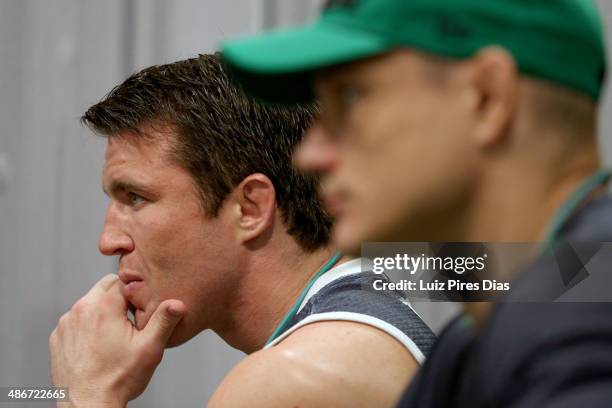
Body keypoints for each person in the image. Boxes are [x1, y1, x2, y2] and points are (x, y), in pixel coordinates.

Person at [221, 0, 612, 406]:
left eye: (350, 97)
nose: (309, 155)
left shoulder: (582, 329)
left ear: (486, 98)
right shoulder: (473, 340)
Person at [48, 53, 434, 407]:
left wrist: (89, 394)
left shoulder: (290, 378)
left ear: (250, 208)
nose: (108, 241)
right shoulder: (361, 322)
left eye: (136, 198)